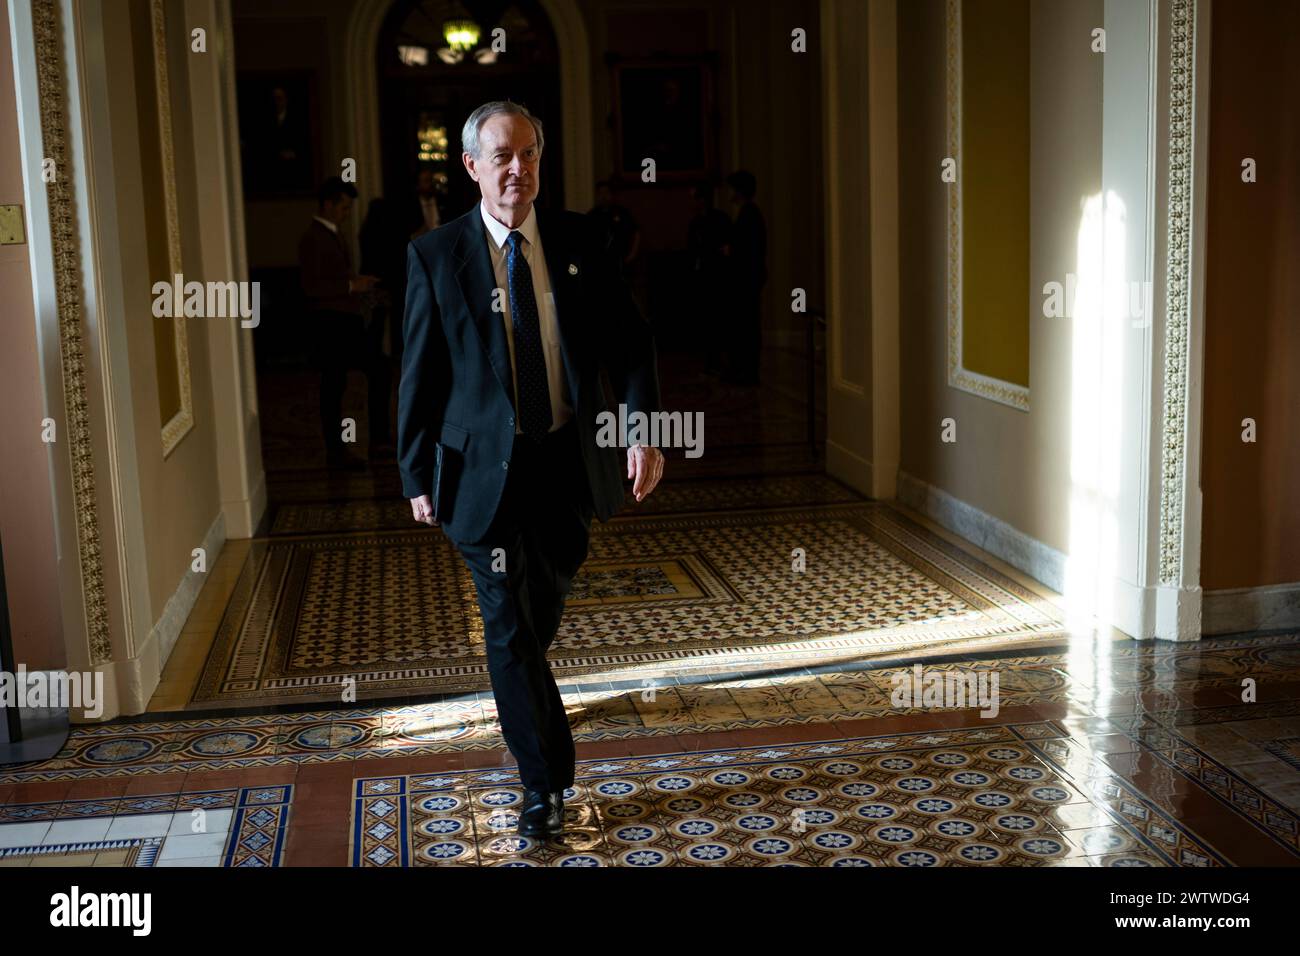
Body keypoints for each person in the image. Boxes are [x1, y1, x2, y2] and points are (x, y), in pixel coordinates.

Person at [397, 101, 664, 839]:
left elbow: (632, 343)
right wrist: (414, 473)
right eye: (502, 156)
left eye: (529, 154)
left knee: (532, 622)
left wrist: (642, 430)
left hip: (567, 469)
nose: (518, 169)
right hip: (479, 476)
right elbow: (417, 377)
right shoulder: (435, 257)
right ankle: (544, 788)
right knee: (509, 628)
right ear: (472, 167)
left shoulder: (580, 241)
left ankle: (536, 736)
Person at [298, 177, 391, 469]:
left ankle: (371, 443)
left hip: (343, 323)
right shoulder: (312, 238)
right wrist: (353, 286)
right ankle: (345, 450)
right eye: (343, 207)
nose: (346, 213)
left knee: (366, 374)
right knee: (337, 385)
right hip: (329, 325)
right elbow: (311, 287)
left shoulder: (333, 234)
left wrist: (360, 286)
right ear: (328, 204)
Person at [723, 169, 767, 385]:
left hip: (746, 280)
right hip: (747, 279)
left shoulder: (749, 214)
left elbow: (748, 249)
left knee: (746, 326)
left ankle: (747, 372)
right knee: (744, 325)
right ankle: (743, 370)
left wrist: (731, 250)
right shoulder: (748, 213)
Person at [686, 180, 732, 374]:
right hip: (703, 277)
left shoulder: (720, 219)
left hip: (718, 276)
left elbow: (726, 247)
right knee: (706, 318)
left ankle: (720, 357)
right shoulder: (695, 222)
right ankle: (710, 358)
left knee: (719, 318)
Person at [587, 179, 640, 280]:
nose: (603, 196)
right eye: (600, 193)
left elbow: (636, 233)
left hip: (622, 262)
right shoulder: (592, 215)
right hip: (600, 264)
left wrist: (631, 256)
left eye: (606, 192)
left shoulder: (622, 213)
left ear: (611, 194)